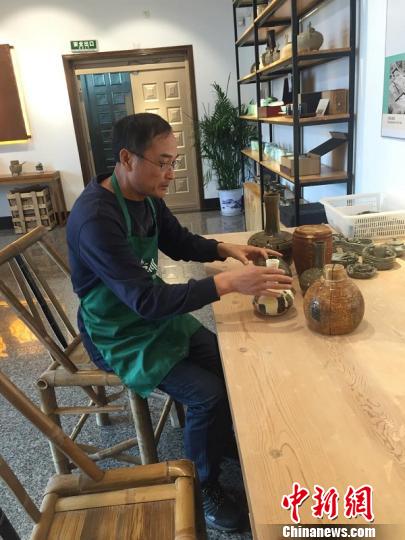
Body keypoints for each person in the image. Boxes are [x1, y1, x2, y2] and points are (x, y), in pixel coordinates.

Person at [67, 113, 293, 532]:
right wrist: (228, 283)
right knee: (207, 394)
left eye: (175, 162)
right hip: (117, 332)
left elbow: (177, 241)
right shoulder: (95, 219)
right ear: (127, 158)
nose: (171, 173)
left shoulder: (146, 194)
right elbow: (146, 300)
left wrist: (225, 249)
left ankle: (217, 442)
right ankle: (201, 486)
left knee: (227, 363)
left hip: (154, 314)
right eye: (163, 163)